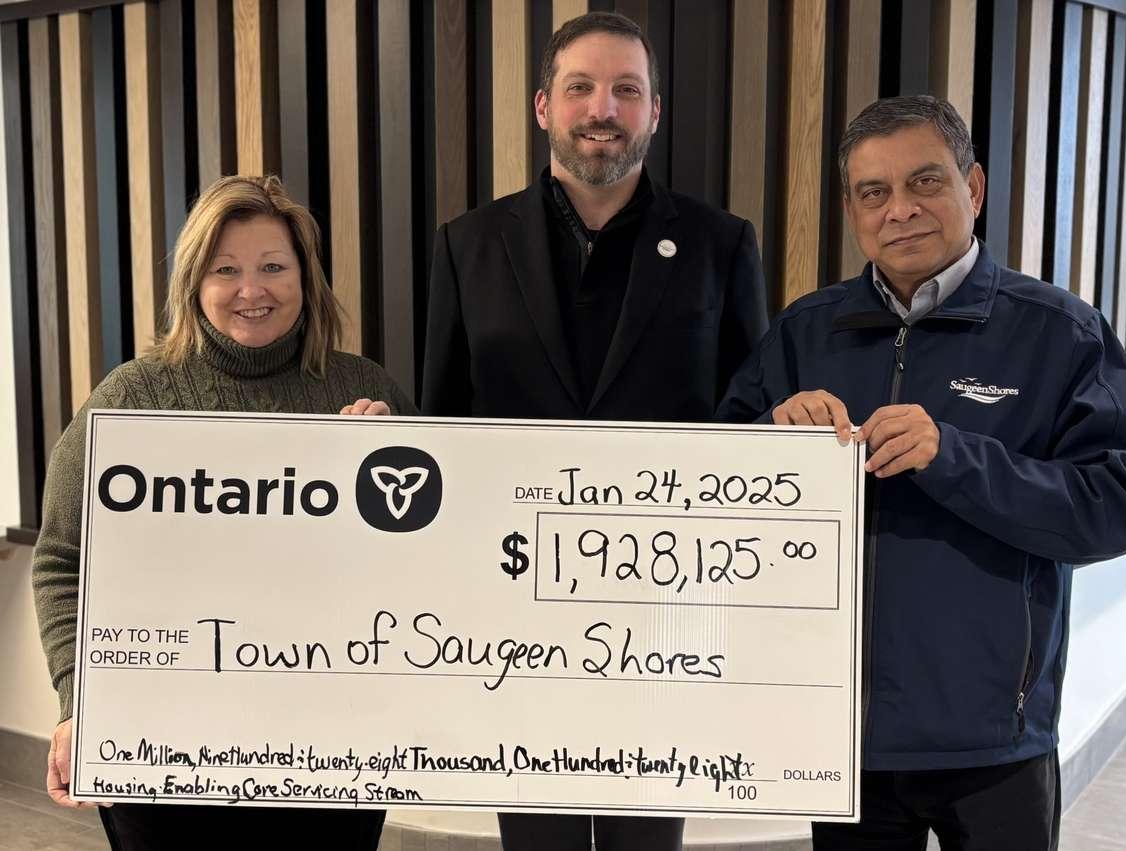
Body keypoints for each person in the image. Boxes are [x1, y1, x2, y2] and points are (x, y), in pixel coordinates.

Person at [718, 95, 1126, 850]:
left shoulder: (1060, 333)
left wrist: (954, 455)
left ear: (972, 188)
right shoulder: (804, 333)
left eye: (926, 183)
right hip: (843, 737)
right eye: (874, 193)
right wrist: (769, 440)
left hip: (994, 742)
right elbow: (711, 487)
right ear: (852, 211)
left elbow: (1114, 507)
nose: (900, 210)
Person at [422, 11, 767, 850]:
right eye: (580, 87)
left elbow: (754, 426)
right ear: (544, 106)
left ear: (655, 111)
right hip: (513, 615)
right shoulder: (467, 245)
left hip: (666, 616)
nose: (601, 108)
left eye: (625, 90)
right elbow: (443, 425)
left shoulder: (723, 247)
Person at [32, 175, 412, 849]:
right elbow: (63, 560)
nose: (251, 289)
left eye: (273, 266)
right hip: (163, 747)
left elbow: (425, 564)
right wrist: (77, 703)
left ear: (306, 277)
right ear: (193, 283)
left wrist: (388, 468)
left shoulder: (365, 388)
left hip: (332, 743)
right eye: (226, 269)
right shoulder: (132, 398)